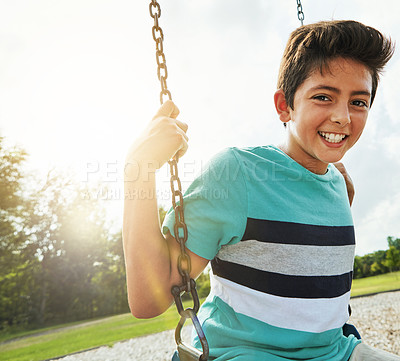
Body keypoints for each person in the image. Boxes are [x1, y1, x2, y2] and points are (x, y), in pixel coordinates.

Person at [123, 20, 398, 360]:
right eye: (323, 96)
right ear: (285, 106)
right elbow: (148, 300)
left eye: (359, 102)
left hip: (335, 351)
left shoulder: (340, 183)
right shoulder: (237, 172)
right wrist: (138, 172)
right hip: (246, 353)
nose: (343, 117)